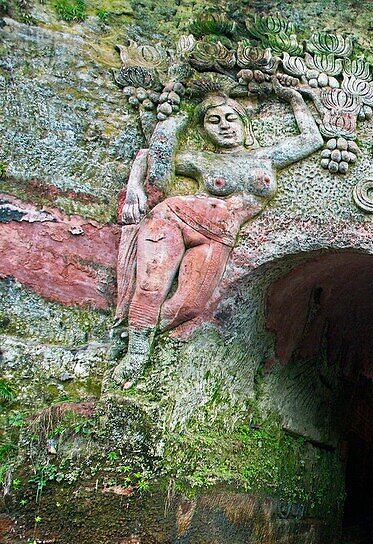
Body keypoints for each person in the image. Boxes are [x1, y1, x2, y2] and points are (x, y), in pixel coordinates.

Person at [113, 77, 323, 381]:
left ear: (244, 123)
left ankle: (138, 329)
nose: (225, 126)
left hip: (219, 235)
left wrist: (292, 97)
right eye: (214, 121)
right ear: (205, 131)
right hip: (172, 218)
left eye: (230, 118)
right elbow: (150, 155)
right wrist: (135, 188)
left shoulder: (266, 157)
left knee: (189, 306)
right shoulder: (202, 159)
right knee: (150, 287)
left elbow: (311, 140)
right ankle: (136, 353)